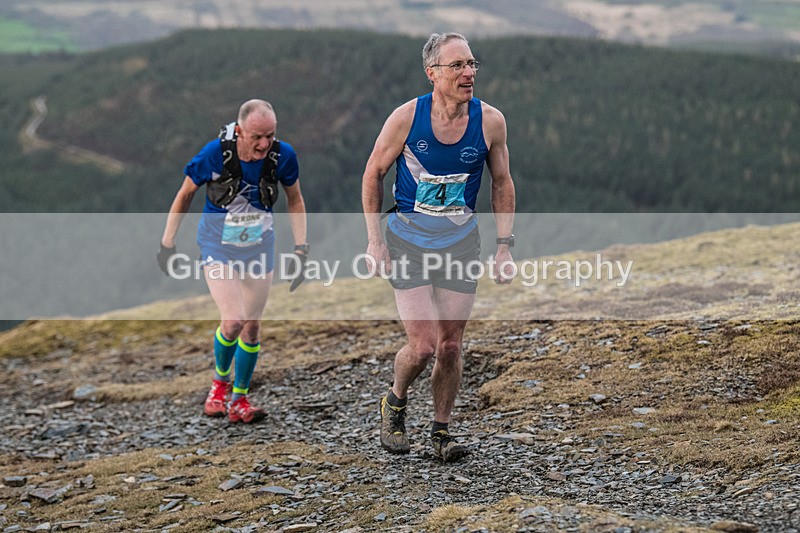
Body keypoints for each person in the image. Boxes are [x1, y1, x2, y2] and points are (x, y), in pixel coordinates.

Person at [361, 33, 516, 461]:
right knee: (423, 346)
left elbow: (501, 182)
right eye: (458, 66)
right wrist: (375, 241)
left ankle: (441, 431)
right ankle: (394, 401)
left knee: (450, 346)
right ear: (432, 73)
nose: (469, 73)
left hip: (460, 244)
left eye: (471, 64)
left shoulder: (490, 121)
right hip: (407, 241)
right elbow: (373, 173)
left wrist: (504, 247)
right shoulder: (407, 118)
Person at [158, 99, 308, 424]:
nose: (264, 144)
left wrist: (301, 248)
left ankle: (240, 399)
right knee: (234, 321)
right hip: (217, 244)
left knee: (252, 328)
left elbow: (295, 199)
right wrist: (167, 244)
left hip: (259, 245)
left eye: (270, 135)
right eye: (257, 136)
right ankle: (220, 383)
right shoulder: (215, 153)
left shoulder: (284, 157)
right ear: (239, 131)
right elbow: (185, 195)